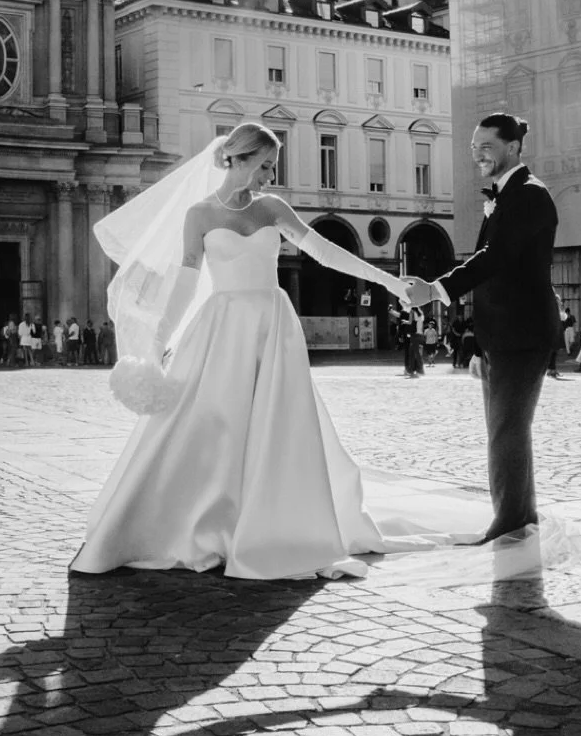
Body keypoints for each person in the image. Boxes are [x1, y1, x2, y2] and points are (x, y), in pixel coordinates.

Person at [72, 122, 460, 579]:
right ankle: (205, 524)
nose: (268, 176)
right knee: (213, 426)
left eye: (273, 167)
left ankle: (268, 524)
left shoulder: (272, 208)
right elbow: (185, 284)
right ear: (236, 158)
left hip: (273, 327)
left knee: (276, 428)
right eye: (264, 165)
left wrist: (392, 282)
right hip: (221, 328)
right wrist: (158, 344)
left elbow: (327, 252)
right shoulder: (198, 215)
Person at [407, 113, 560, 542]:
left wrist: (436, 289)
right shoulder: (505, 195)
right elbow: (491, 277)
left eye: (486, 147)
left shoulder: (529, 195)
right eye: (474, 148)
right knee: (506, 429)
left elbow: (494, 259)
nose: (477, 155)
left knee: (505, 431)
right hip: (499, 334)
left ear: (512, 147)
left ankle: (509, 522)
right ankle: (520, 515)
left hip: (523, 332)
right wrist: (476, 343)